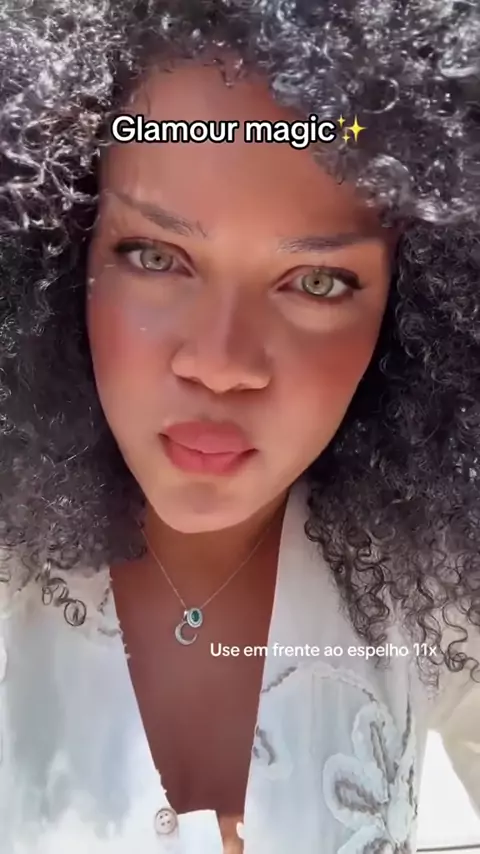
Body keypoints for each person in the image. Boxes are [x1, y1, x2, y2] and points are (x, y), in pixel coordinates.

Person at [0, 0, 479, 852]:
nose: (222, 365)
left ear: (413, 308)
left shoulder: (438, 595)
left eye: (319, 282)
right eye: (155, 256)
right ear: (66, 250)